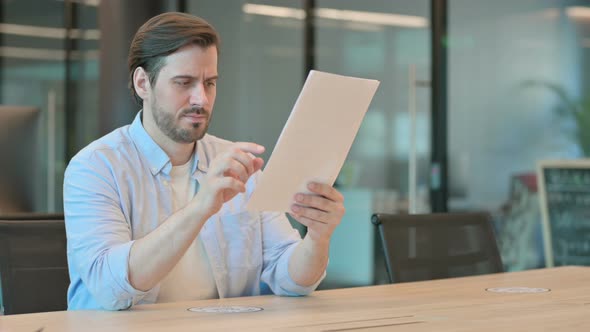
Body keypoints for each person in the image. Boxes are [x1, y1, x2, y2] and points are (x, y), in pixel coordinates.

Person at [63, 12, 345, 311]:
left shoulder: (237, 163)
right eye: (184, 83)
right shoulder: (95, 167)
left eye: (209, 83)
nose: (201, 99)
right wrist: (201, 207)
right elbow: (110, 288)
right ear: (143, 83)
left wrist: (317, 237)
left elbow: (292, 279)